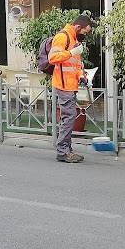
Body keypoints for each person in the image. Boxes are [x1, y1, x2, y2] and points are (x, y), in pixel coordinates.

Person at [49, 15, 93, 163]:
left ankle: (66, 150)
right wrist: (70, 53)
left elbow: (76, 65)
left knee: (67, 118)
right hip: (63, 85)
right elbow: (53, 58)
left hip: (70, 84)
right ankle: (63, 151)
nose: (85, 35)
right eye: (85, 32)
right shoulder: (62, 37)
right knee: (68, 118)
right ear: (78, 27)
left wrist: (81, 76)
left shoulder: (73, 40)